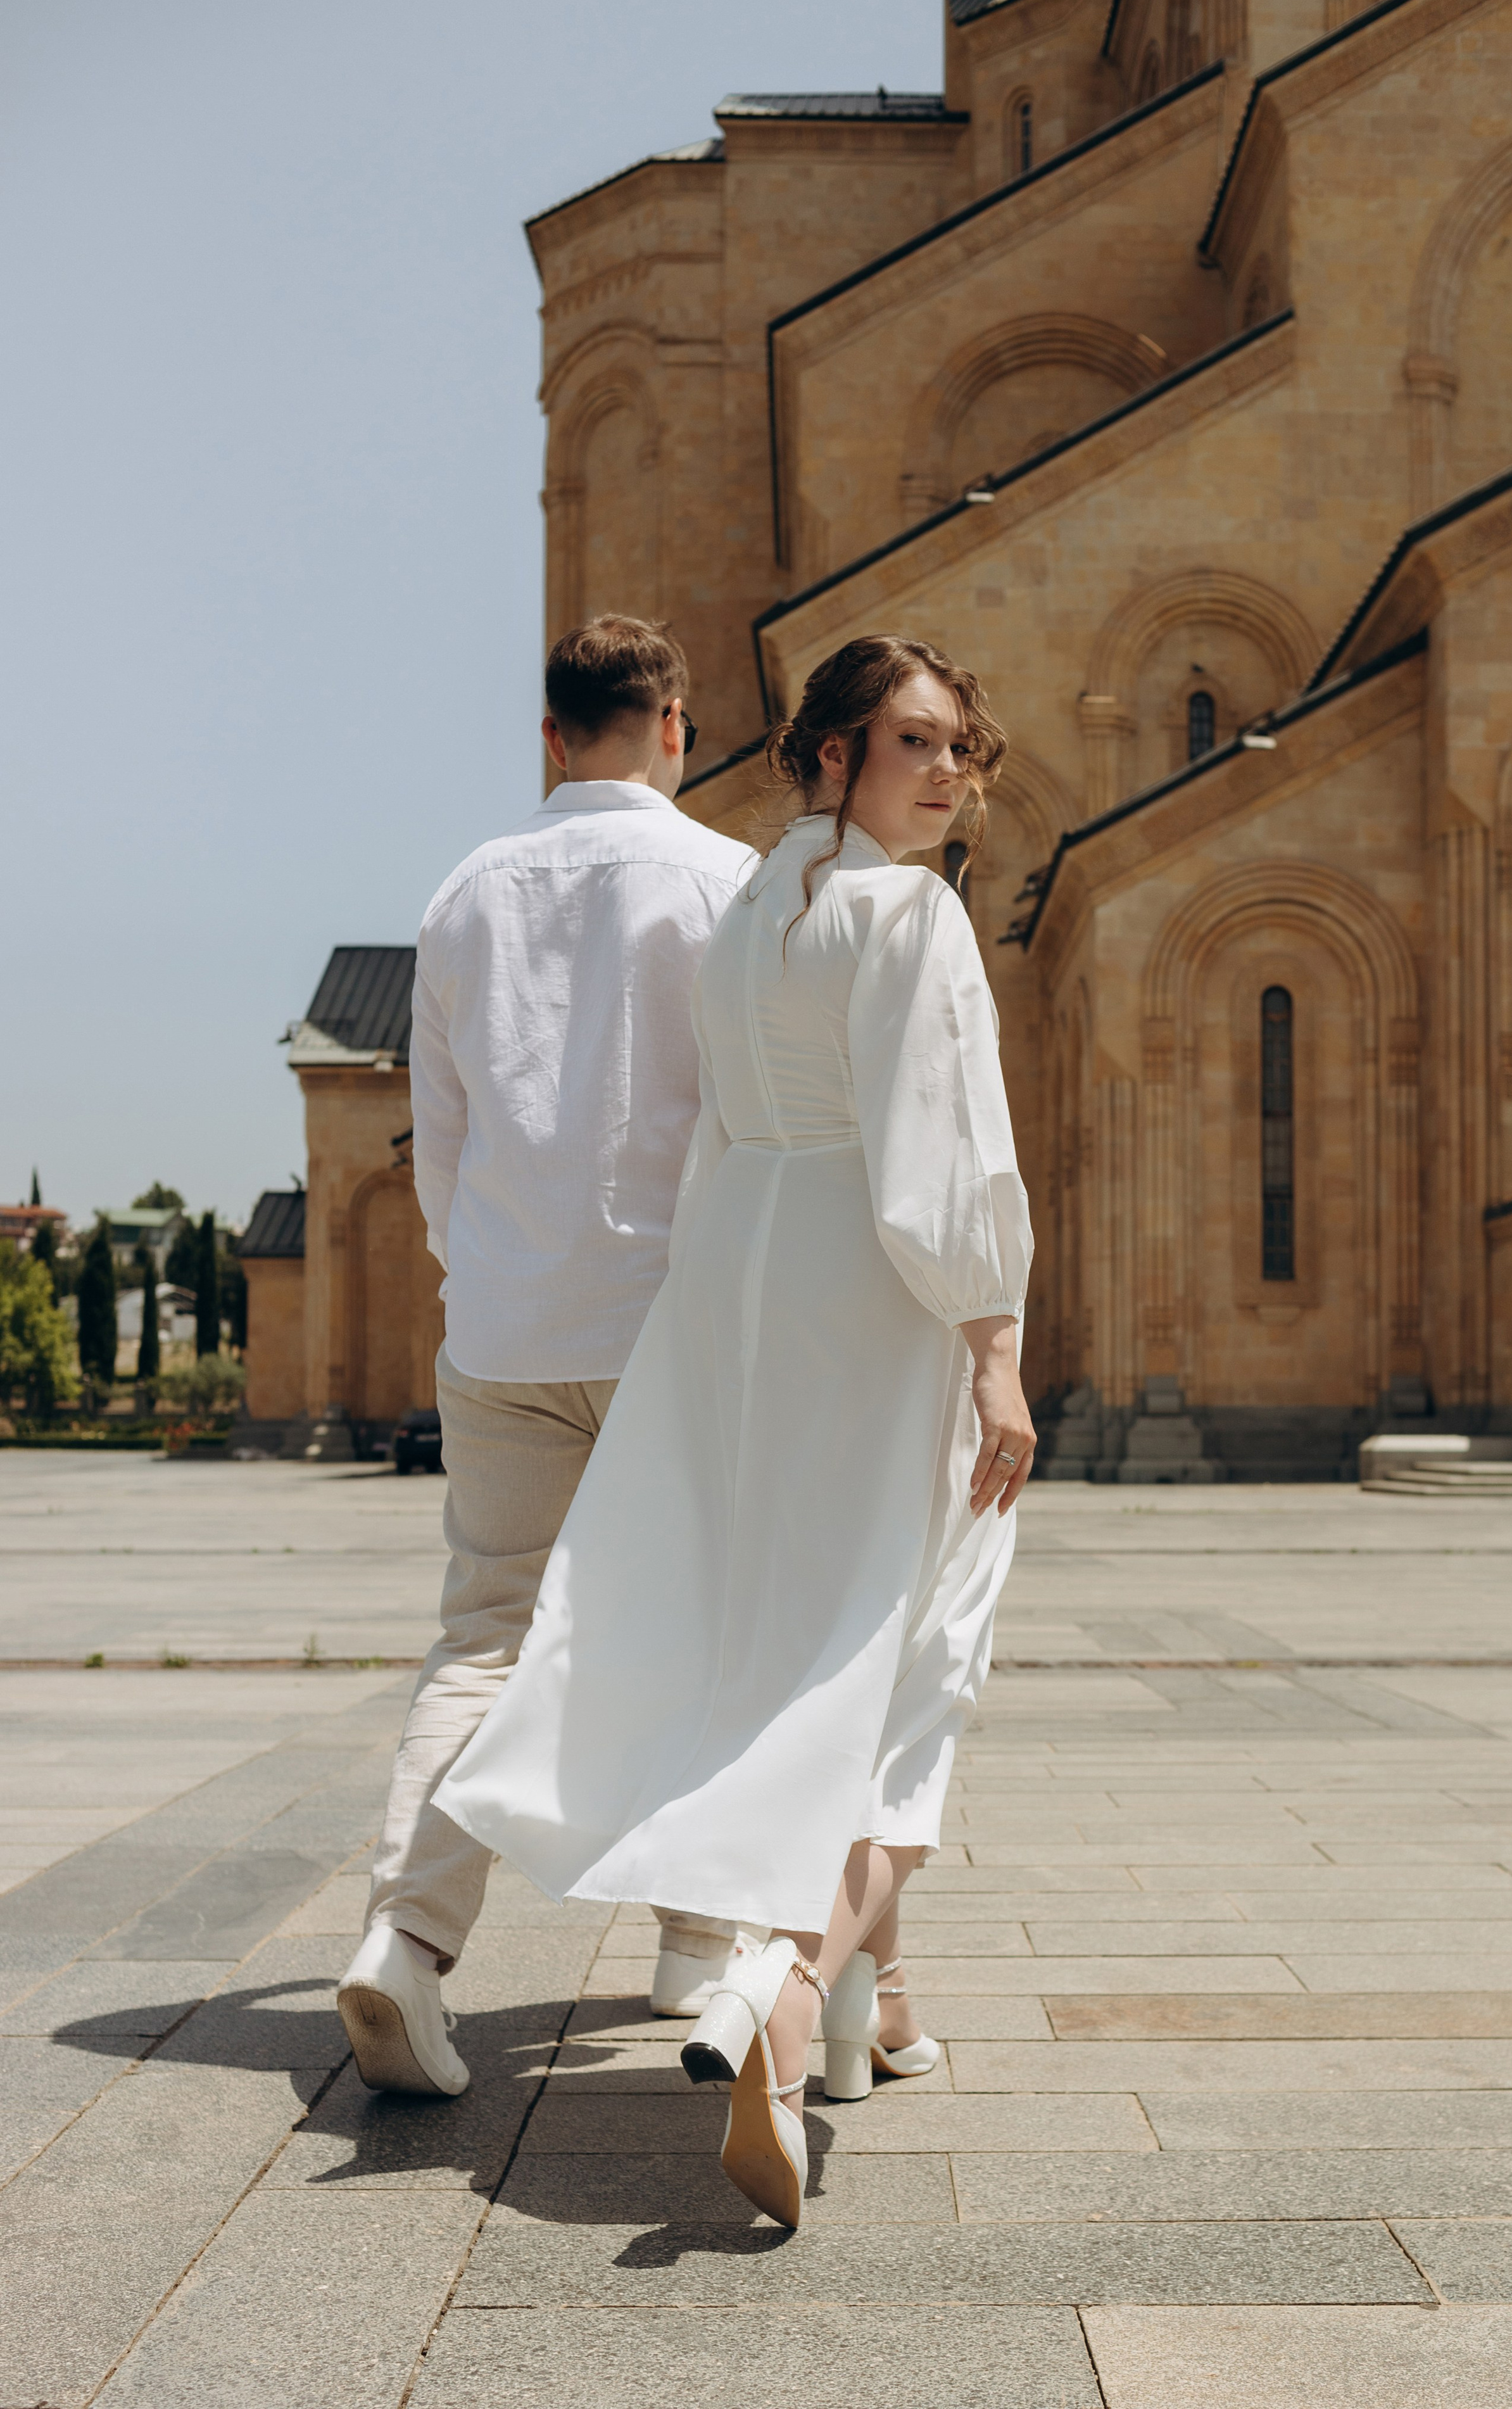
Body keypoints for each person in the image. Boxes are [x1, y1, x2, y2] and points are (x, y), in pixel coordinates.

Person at [436, 634, 1035, 2225]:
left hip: (745, 1293)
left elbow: (717, 1135)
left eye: (958, 746)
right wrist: (993, 1343)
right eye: (914, 741)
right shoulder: (911, 914)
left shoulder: (753, 908)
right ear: (831, 751)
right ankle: (782, 1983)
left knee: (806, 1645)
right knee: (912, 1654)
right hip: (874, 1294)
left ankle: (870, 2013)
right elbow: (945, 1150)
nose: (947, 772)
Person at [337, 614, 760, 2096]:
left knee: (485, 1638)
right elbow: (750, 1119)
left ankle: (404, 1938)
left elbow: (439, 1140)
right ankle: (695, 1937)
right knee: (702, 1632)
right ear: (674, 723)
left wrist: (488, 1277)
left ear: (549, 732)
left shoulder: (464, 893)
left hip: (508, 1328)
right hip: (672, 1325)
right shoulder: (725, 881)